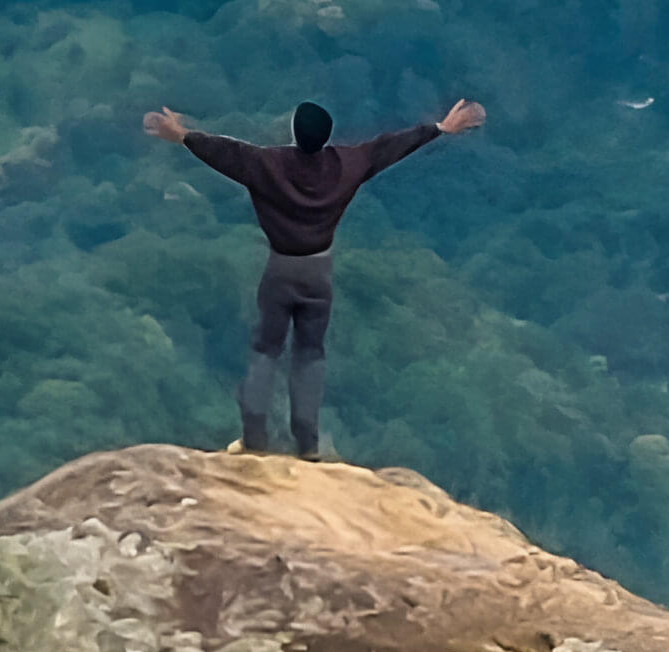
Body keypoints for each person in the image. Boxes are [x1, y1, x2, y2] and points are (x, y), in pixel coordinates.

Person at [140, 93, 486, 461]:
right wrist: (440, 129)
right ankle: (308, 446)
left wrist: (180, 134)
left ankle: (255, 442)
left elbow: (222, 151)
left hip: (280, 269)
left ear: (294, 133)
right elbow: (389, 147)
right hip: (318, 273)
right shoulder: (348, 164)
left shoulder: (266, 164)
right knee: (309, 357)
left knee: (265, 350)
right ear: (326, 137)